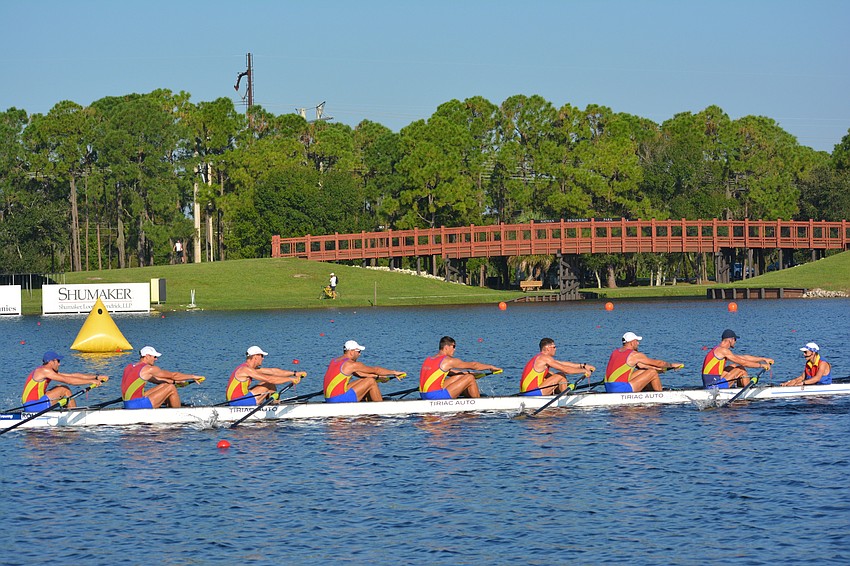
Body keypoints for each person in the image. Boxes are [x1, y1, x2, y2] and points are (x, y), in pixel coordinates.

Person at [419, 336, 502, 400]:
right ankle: (478, 402)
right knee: (470, 378)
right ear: (446, 347)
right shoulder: (448, 360)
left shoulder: (429, 359)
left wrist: (468, 373)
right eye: (453, 346)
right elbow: (474, 365)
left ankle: (467, 395)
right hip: (434, 396)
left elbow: (452, 373)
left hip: (424, 394)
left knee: (462, 376)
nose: (455, 349)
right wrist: (490, 367)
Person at [121, 346, 204, 409]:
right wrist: (192, 377)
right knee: (171, 388)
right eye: (154, 357)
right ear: (147, 356)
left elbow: (157, 380)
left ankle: (169, 407)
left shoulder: (129, 367)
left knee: (166, 385)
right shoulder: (149, 369)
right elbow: (173, 375)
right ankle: (178, 414)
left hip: (128, 403)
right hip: (136, 405)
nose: (156, 359)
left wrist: (175, 382)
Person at [22, 351, 108, 411]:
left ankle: (67, 409)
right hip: (33, 406)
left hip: (34, 404)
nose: (59, 364)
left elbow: (72, 375)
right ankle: (73, 414)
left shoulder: (46, 371)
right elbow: (69, 381)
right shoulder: (45, 371)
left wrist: (96, 377)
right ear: (51, 361)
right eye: (58, 361)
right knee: (64, 389)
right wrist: (91, 382)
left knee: (58, 387)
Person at [323, 340, 405, 403]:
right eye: (358, 351)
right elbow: (376, 370)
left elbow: (360, 374)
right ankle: (381, 408)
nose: (359, 354)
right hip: (338, 400)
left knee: (365, 380)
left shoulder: (334, 361)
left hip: (329, 398)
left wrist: (378, 377)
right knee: (371, 382)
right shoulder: (351, 364)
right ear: (351, 352)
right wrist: (394, 372)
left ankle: (369, 404)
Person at [226, 346, 307, 406]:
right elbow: (269, 379)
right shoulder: (245, 370)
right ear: (255, 357)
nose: (263, 358)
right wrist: (290, 379)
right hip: (237, 402)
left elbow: (273, 371)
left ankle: (272, 403)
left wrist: (295, 373)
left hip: (237, 400)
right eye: (262, 356)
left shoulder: (248, 368)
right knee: (269, 383)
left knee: (268, 383)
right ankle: (273, 405)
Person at [604, 332, 683, 393]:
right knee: (652, 373)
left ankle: (648, 390)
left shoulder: (615, 352)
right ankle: (660, 395)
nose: (638, 343)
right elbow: (659, 363)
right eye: (636, 341)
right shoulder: (635, 355)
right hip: (620, 389)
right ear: (632, 343)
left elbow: (643, 366)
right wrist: (672, 365)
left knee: (646, 371)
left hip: (608, 387)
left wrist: (663, 369)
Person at [520, 338, 595, 395]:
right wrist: (584, 371)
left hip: (526, 392)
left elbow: (563, 364)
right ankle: (565, 398)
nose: (556, 349)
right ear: (548, 348)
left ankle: (561, 391)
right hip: (532, 393)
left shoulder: (539, 357)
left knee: (550, 374)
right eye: (554, 347)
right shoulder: (544, 358)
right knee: (561, 375)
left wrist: (583, 366)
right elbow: (565, 370)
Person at [701, 329, 774, 389]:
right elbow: (743, 362)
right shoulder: (723, 350)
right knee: (741, 369)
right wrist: (761, 365)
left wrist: (764, 359)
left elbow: (743, 358)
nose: (735, 342)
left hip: (711, 382)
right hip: (713, 386)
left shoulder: (718, 349)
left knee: (733, 366)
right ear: (731, 340)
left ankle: (741, 386)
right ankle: (749, 389)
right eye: (735, 339)